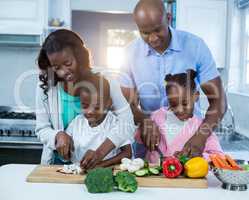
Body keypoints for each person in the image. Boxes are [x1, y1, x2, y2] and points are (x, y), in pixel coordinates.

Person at [119, 0, 227, 158]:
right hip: (151, 144)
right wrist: (143, 120)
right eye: (145, 33)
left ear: (168, 19)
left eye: (157, 30)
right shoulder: (129, 54)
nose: (153, 38)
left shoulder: (195, 46)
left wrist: (200, 136)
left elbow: (219, 101)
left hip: (190, 139)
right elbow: (126, 104)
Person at [36, 29, 134, 165]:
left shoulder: (104, 80)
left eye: (68, 63)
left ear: (79, 56)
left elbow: (127, 122)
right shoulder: (46, 86)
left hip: (101, 163)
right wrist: (57, 135)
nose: (64, 72)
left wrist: (99, 153)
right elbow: (42, 129)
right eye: (56, 67)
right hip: (57, 166)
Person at [134, 70, 224, 163]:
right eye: (173, 104)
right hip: (153, 176)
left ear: (196, 96)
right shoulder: (157, 116)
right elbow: (139, 138)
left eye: (185, 104)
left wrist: (200, 157)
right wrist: (144, 130)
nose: (179, 110)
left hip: (183, 177)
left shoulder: (201, 127)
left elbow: (219, 157)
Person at [66, 73, 132, 169]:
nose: (90, 112)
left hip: (106, 173)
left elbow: (127, 153)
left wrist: (102, 165)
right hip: (77, 174)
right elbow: (67, 149)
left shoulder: (115, 123)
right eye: (85, 106)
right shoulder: (77, 123)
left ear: (108, 103)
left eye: (96, 107)